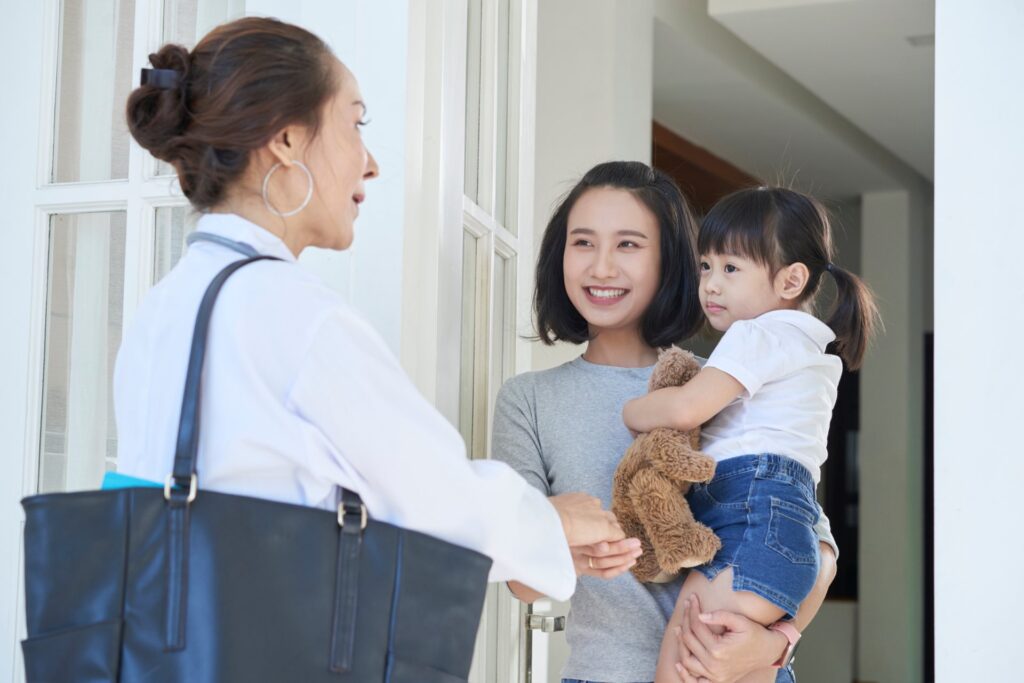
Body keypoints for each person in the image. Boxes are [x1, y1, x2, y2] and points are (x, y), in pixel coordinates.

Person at [115, 16, 624, 608]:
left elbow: (314, 507)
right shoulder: (296, 316)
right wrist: (552, 520)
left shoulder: (166, 307)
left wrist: (537, 539)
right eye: (354, 125)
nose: (371, 162)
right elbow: (432, 495)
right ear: (286, 140)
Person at [493, 163, 838, 683]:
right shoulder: (530, 400)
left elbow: (817, 550)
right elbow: (521, 582)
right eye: (582, 243)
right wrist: (560, 531)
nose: (601, 267)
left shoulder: (722, 384)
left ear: (671, 261)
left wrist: (774, 647)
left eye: (628, 245)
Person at [622, 186, 877, 683]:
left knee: (680, 667)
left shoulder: (759, 334)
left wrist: (634, 410)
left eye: (731, 269)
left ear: (792, 279)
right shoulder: (812, 352)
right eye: (705, 267)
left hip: (749, 525)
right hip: (784, 534)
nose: (711, 285)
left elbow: (686, 407)